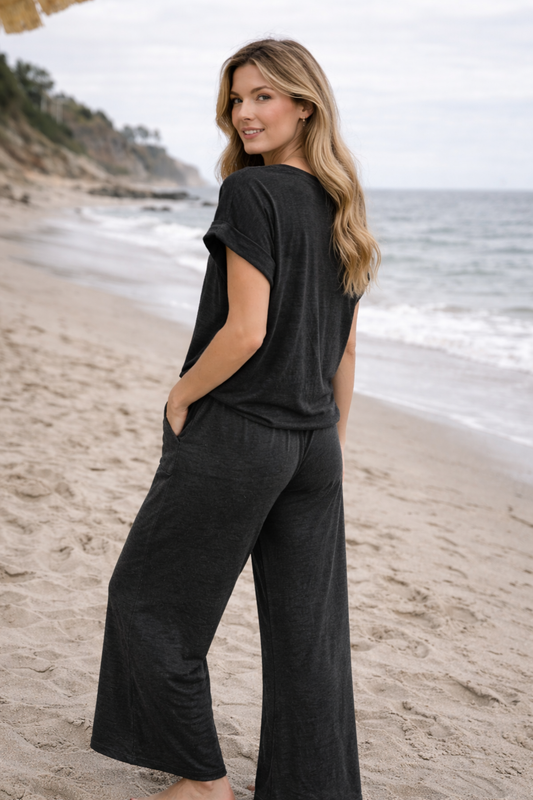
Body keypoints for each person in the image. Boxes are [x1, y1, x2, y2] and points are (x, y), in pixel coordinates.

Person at [90, 37, 380, 800]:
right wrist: (328, 441)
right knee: (308, 641)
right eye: (236, 98)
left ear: (303, 105)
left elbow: (246, 332)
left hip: (240, 435)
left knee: (147, 605)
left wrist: (181, 393)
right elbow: (345, 347)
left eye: (262, 96)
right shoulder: (342, 202)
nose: (243, 113)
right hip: (312, 444)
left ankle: (204, 782)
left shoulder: (251, 194)